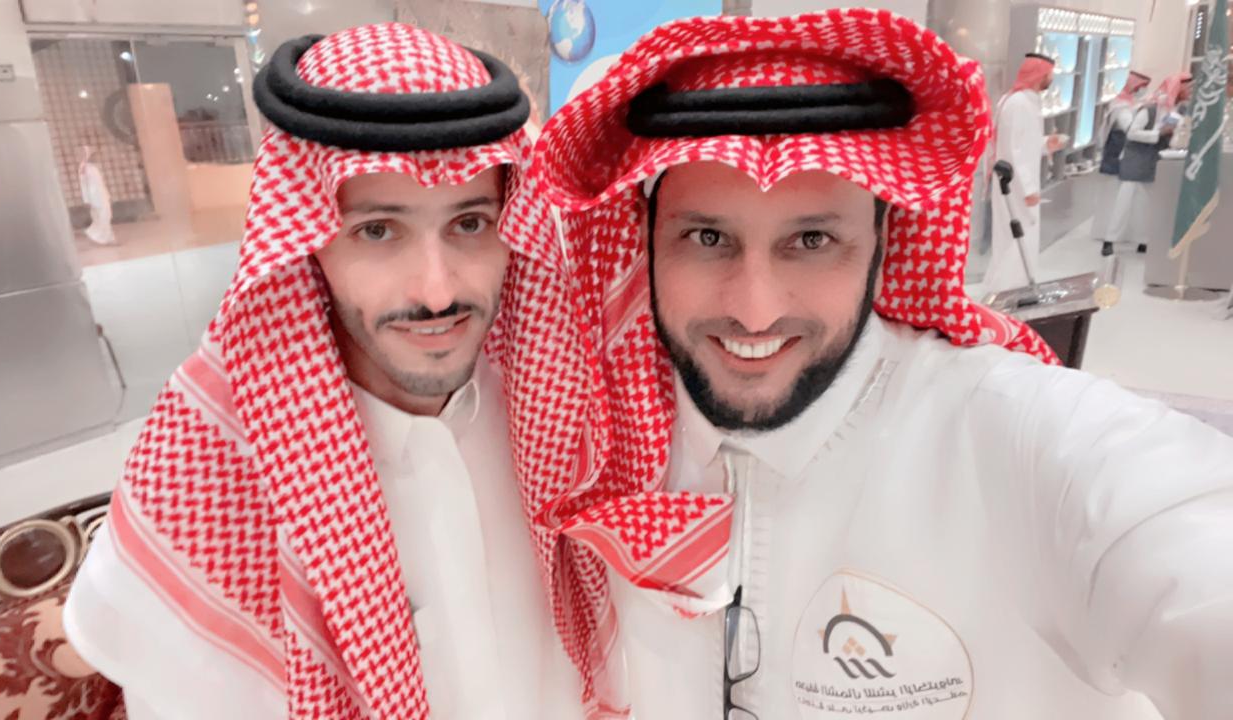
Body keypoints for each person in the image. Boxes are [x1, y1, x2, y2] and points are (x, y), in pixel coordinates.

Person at [531, 10, 1233, 719]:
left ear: (883, 240)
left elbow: (1187, 548)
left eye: (811, 241)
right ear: (645, 239)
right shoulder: (598, 445)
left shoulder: (1016, 436)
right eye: (708, 238)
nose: (755, 310)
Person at [63, 25, 584, 719]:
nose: (437, 292)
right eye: (378, 230)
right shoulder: (204, 469)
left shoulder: (564, 420)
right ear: (307, 243)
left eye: (469, 223)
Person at [982, 53, 1063, 296]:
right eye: (1050, 74)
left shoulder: (1025, 101)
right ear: (1040, 75)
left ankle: (1013, 289)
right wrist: (1028, 189)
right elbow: (1013, 151)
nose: (1051, 78)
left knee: (1019, 239)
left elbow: (1024, 143)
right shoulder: (1018, 104)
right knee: (1016, 238)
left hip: (1016, 182)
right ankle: (1006, 292)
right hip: (1014, 186)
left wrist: (1046, 144)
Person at [1105, 72, 1194, 255]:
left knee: (1145, 204)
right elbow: (1132, 133)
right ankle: (1110, 240)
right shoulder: (1150, 109)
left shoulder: (1177, 110)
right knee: (1124, 203)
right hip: (1136, 160)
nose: (1190, 91)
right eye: (1188, 87)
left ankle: (1143, 240)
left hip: (1154, 160)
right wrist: (1159, 133)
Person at [1094, 70, 1152, 256]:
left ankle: (1130, 235)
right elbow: (1129, 128)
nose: (1143, 91)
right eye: (1141, 87)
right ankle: (1109, 235)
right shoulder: (1120, 106)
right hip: (1118, 155)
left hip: (1130, 157)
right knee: (1117, 198)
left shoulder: (1132, 104)